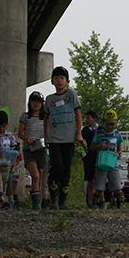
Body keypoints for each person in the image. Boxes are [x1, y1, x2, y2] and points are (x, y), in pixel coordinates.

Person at [43, 66, 84, 209]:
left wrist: (78, 133)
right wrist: (46, 136)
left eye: (62, 78)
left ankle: (62, 200)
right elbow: (46, 119)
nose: (59, 81)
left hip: (69, 138)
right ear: (52, 81)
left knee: (66, 169)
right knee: (57, 167)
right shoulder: (49, 99)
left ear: (67, 81)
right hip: (54, 139)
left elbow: (78, 114)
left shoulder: (71, 95)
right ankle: (53, 197)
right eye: (56, 78)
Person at [90, 109, 124, 209]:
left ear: (116, 123)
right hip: (101, 162)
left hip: (113, 163)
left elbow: (120, 142)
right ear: (103, 123)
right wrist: (99, 146)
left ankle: (119, 203)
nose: (110, 126)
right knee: (99, 186)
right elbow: (91, 147)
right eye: (108, 124)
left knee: (117, 185)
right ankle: (95, 203)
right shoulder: (98, 133)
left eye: (112, 124)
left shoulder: (117, 133)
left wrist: (120, 151)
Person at [19, 91, 47, 210]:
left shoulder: (46, 117)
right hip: (29, 149)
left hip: (42, 148)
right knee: (34, 175)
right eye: (33, 101)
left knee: (41, 176)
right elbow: (20, 133)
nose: (36, 104)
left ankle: (39, 203)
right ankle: (36, 205)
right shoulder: (25, 116)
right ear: (29, 103)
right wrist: (27, 138)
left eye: (38, 101)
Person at [81, 111, 100, 207]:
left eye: (88, 118)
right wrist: (84, 150)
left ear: (94, 119)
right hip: (89, 157)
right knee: (89, 179)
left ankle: (100, 200)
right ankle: (90, 201)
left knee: (100, 178)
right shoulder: (84, 130)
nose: (87, 120)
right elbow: (80, 140)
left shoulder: (101, 129)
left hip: (100, 156)